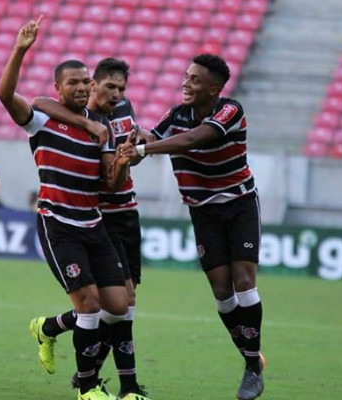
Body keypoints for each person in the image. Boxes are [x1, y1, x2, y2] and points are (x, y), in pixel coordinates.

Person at [0, 16, 128, 400]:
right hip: (58, 223)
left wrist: (121, 161)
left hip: (94, 223)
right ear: (58, 88)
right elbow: (7, 96)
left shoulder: (103, 126)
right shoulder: (42, 121)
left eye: (86, 81)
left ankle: (48, 328)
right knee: (88, 305)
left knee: (116, 307)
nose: (82, 86)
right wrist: (21, 49)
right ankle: (87, 388)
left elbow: (111, 184)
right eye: (73, 82)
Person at [119, 54, 265, 400]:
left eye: (195, 80)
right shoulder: (176, 114)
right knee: (221, 292)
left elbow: (190, 140)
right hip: (202, 211)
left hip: (239, 204)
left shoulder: (230, 111)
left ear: (214, 89)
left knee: (243, 279)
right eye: (186, 77)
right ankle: (250, 356)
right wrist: (118, 123)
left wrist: (143, 147)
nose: (186, 83)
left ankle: (252, 368)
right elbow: (150, 136)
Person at [28, 58, 152, 400]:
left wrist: (137, 150)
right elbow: (37, 104)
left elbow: (130, 152)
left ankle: (51, 329)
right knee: (114, 305)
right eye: (108, 87)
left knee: (120, 304)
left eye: (121, 88)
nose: (116, 94)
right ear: (91, 85)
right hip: (98, 216)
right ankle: (119, 385)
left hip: (125, 214)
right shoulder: (80, 116)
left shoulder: (121, 110)